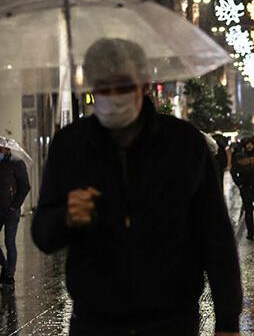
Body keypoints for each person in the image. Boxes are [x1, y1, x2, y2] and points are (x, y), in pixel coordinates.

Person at [31, 38, 243, 336]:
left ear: (145, 85)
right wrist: (65, 218)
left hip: (172, 320)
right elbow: (43, 234)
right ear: (91, 89)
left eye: (124, 86)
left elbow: (216, 235)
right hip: (95, 321)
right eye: (104, 87)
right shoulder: (70, 145)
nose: (114, 96)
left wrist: (228, 319)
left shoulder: (184, 144)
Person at [0, 142, 30, 287]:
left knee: (9, 241)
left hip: (11, 210)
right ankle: (5, 268)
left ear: (6, 148)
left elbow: (25, 186)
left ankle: (10, 274)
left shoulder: (16, 163)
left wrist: (14, 206)